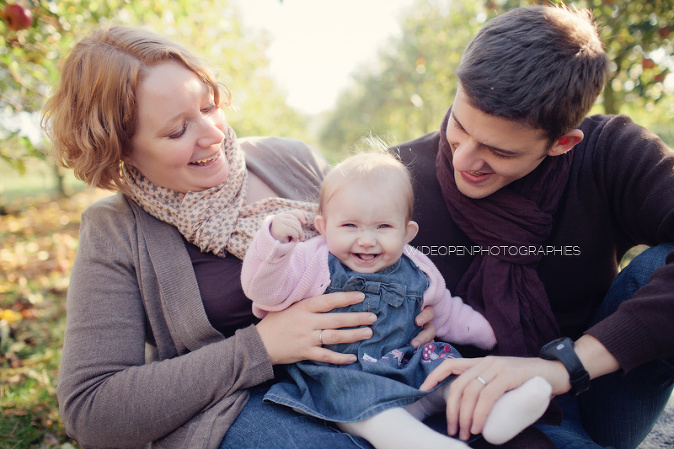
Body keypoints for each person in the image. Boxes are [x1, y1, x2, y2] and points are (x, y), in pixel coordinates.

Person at [42, 26, 439, 448]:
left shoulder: (289, 159)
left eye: (209, 106)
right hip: (242, 406)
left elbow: (377, 239)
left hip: (371, 368)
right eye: (178, 131)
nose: (213, 135)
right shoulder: (115, 230)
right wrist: (260, 347)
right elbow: (91, 410)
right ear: (120, 147)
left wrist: (417, 307)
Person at [390, 5, 674, 449]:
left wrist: (565, 366)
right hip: (461, 409)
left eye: (498, 152)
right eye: (459, 126)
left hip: (592, 384)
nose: (464, 159)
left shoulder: (610, 153)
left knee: (657, 264)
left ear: (563, 143)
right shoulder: (396, 177)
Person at [240, 151, 553, 448]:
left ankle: (498, 410)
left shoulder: (418, 267)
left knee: (450, 370)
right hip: (345, 377)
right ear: (323, 227)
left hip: (408, 366)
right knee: (371, 413)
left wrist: (491, 333)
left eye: (383, 226)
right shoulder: (312, 261)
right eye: (349, 225)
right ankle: (417, 442)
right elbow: (265, 291)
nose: (366, 239)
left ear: (407, 233)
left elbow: (445, 312)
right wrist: (275, 245)